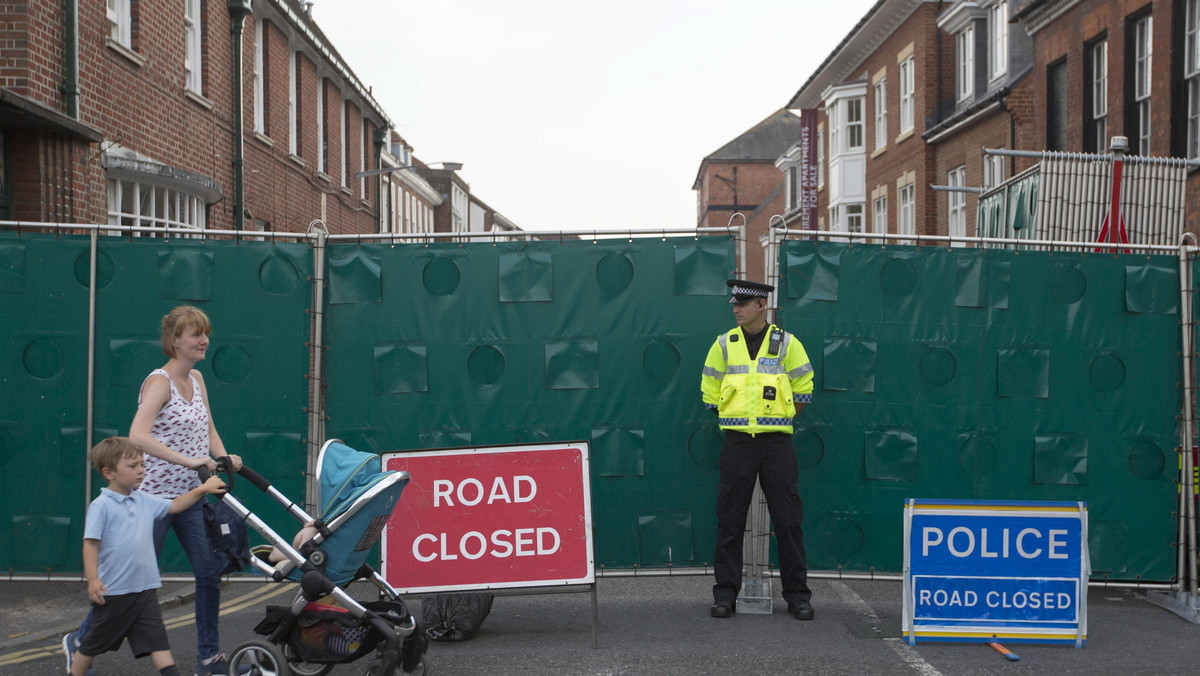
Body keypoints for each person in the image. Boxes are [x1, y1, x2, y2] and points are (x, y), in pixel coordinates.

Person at [65, 305, 246, 676]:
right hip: (152, 500)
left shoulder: (196, 378)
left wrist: (223, 456)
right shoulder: (159, 382)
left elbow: (207, 430)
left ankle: (209, 656)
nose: (203, 340)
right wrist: (190, 461)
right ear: (174, 341)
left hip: (191, 497)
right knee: (128, 581)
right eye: (195, 334)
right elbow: (138, 435)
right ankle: (81, 640)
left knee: (209, 572)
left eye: (205, 333)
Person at [701, 279, 815, 621]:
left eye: (743, 304)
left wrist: (778, 419)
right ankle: (725, 594)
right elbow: (710, 393)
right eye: (734, 304)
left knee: (788, 520)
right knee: (730, 521)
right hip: (737, 444)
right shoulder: (723, 345)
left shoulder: (787, 344)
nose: (736, 309)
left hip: (776, 444)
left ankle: (797, 597)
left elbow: (804, 390)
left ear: (762, 306)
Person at [67, 437, 227, 676]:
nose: (141, 471)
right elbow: (90, 545)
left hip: (145, 590)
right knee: (91, 646)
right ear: (108, 472)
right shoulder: (101, 506)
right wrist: (93, 580)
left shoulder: (143, 499)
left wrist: (202, 489)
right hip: (115, 593)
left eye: (142, 464)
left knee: (158, 643)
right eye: (132, 466)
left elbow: (174, 506)